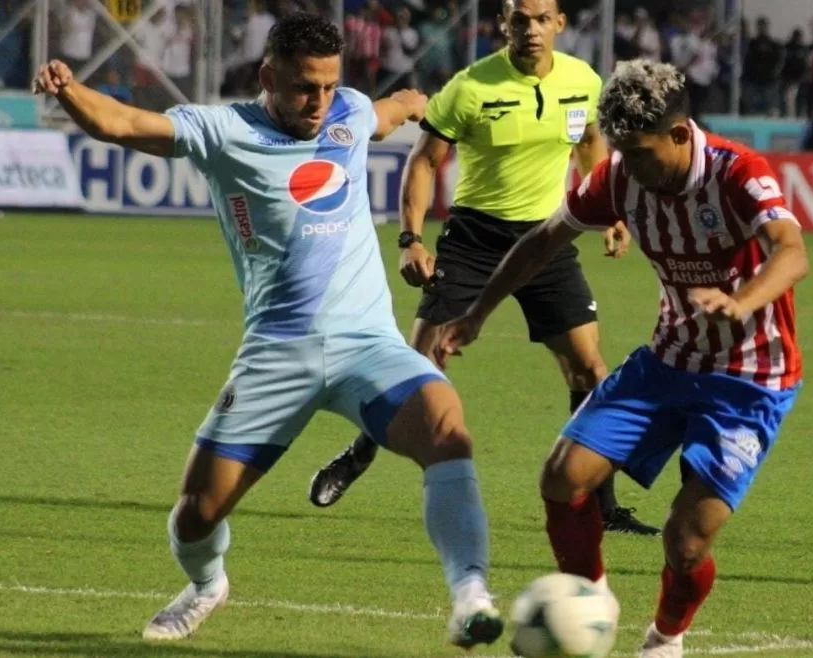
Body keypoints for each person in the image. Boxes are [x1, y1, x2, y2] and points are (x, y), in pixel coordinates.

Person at [32, 12, 504, 650]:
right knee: (196, 515)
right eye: (305, 87)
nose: (320, 102)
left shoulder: (349, 112)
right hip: (276, 355)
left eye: (330, 86)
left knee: (448, 429)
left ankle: (470, 594)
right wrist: (68, 88)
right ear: (268, 76)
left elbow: (384, 111)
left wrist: (412, 102)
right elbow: (122, 122)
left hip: (367, 345)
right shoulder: (223, 131)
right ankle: (207, 585)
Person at [435, 60, 809, 657]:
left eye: (639, 152)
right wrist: (478, 312)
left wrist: (741, 301)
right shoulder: (618, 178)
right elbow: (540, 242)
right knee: (562, 479)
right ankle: (593, 603)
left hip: (750, 378)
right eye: (620, 152)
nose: (627, 167)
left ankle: (665, 639)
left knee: (686, 543)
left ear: (681, 134)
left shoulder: (738, 173)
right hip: (666, 362)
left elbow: (791, 253)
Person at [308, 0, 661, 536]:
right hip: (475, 239)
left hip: (547, 238)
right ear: (504, 25)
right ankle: (358, 455)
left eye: (543, 19)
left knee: (589, 371)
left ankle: (601, 506)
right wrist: (410, 240)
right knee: (420, 365)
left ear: (560, 24)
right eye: (521, 19)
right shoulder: (471, 87)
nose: (532, 29)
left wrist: (607, 212)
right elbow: (425, 160)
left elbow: (590, 143)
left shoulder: (583, 80)